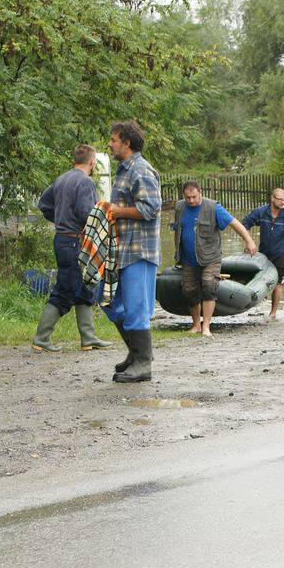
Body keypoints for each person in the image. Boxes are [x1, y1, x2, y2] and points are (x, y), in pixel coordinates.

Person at [32, 145, 112, 353]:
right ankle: (41, 338)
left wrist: (59, 220)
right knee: (66, 290)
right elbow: (87, 214)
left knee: (86, 286)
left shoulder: (62, 179)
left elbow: (44, 204)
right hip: (75, 241)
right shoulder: (85, 182)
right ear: (92, 162)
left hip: (62, 239)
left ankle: (89, 338)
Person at [101, 120, 162, 383]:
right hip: (122, 250)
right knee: (111, 302)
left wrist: (117, 211)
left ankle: (143, 364)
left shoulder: (141, 170)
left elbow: (150, 209)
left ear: (126, 142)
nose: (110, 144)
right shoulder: (123, 170)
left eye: (114, 139)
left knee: (136, 307)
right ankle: (134, 353)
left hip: (140, 252)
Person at [172, 181, 257, 337]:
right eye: (188, 197)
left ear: (200, 193)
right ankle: (196, 324)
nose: (191, 200)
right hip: (188, 258)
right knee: (189, 291)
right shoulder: (179, 207)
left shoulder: (213, 207)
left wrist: (249, 241)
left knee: (209, 285)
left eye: (194, 197)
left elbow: (234, 223)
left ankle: (206, 326)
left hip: (211, 257)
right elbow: (176, 230)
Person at [241, 188, 284, 319]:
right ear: (272, 198)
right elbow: (245, 224)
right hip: (263, 254)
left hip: (281, 255)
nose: (282, 202)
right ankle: (256, 303)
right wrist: (249, 242)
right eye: (279, 199)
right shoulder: (261, 212)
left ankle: (273, 313)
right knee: (259, 280)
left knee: (279, 284)